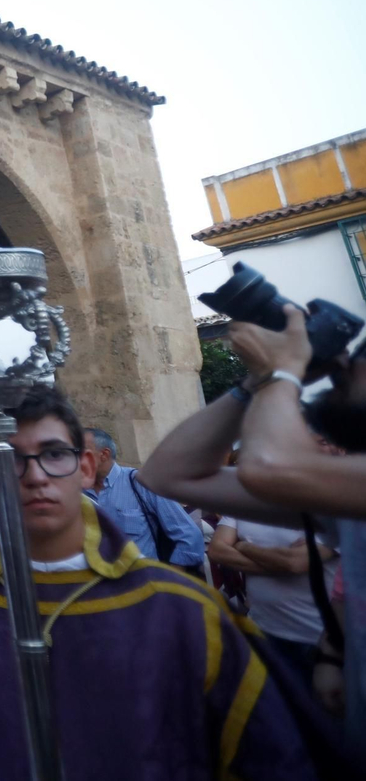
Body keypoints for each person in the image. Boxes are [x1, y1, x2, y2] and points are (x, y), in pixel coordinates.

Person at [0, 386, 321, 780]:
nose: (36, 476)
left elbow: (265, 752)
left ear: (86, 467)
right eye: (9, 459)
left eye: (54, 453)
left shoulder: (180, 604)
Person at [138, 306, 366, 754]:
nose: (345, 361)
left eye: (360, 357)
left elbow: (267, 468)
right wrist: (252, 384)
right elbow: (167, 474)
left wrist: (282, 371)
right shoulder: (348, 502)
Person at [210, 507, 340, 682]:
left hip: (316, 637)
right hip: (261, 630)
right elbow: (217, 550)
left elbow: (294, 562)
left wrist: (242, 545)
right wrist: (280, 565)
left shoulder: (331, 509)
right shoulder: (241, 505)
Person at [83, 426, 204, 571]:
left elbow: (189, 535)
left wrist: (169, 578)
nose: (72, 458)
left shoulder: (141, 483)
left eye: (79, 452)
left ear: (104, 454)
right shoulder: (76, 493)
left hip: (144, 580)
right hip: (96, 583)